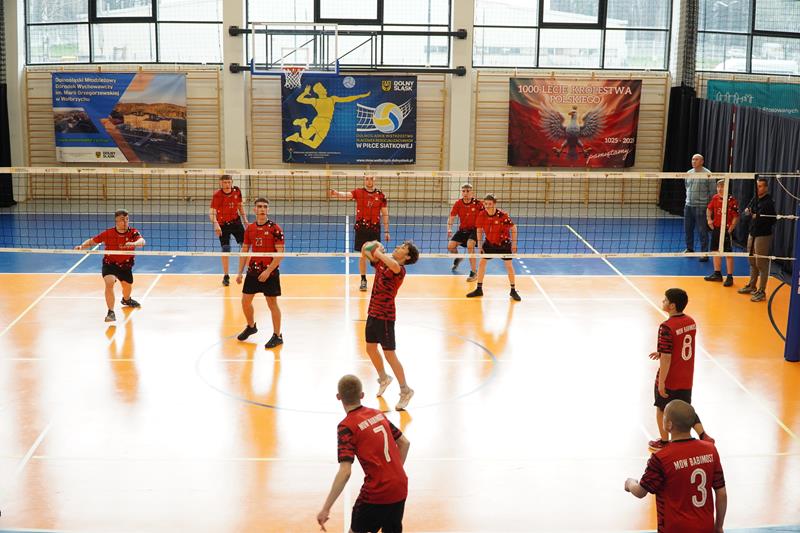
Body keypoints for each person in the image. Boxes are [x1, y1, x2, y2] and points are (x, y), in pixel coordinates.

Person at [317, 374, 410, 533]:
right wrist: (393, 473)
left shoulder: (346, 427)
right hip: (400, 485)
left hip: (377, 491)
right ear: (362, 395)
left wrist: (326, 508)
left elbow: (345, 472)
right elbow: (404, 443)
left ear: (339, 397)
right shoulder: (378, 414)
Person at [625, 400, 727, 533]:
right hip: (705, 528)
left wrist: (630, 483)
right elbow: (721, 493)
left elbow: (640, 492)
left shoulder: (661, 458)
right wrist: (718, 526)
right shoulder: (710, 450)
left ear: (669, 424)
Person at [648, 288, 713, 451]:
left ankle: (664, 442)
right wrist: (661, 351)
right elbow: (682, 344)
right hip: (686, 375)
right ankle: (703, 434)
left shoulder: (666, 327)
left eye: (665, 300)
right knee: (685, 409)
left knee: (661, 409)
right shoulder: (691, 322)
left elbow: (667, 358)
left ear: (672, 306)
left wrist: (661, 382)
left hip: (671, 377)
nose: (662, 301)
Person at [362, 239, 419, 411]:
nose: (398, 247)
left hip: (385, 316)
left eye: (402, 248)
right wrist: (372, 243)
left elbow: (392, 264)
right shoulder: (382, 263)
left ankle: (405, 390)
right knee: (370, 349)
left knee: (390, 355)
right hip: (373, 312)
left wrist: (377, 251)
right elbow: (365, 250)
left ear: (407, 257)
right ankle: (384, 378)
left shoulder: (399, 270)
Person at [75, 209, 145, 323]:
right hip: (110, 263)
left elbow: (142, 241)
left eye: (127, 219)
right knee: (109, 283)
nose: (125, 222)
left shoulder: (133, 232)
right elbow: (93, 241)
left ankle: (126, 300)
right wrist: (82, 246)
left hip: (126, 265)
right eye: (122, 219)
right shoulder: (108, 233)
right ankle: (111, 312)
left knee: (127, 287)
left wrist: (133, 243)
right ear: (116, 221)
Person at [235, 198, 285, 349]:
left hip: (270, 272)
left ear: (268, 210)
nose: (262, 209)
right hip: (253, 271)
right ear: (254, 210)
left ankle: (277, 336)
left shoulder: (275, 228)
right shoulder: (250, 228)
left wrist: (268, 271)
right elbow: (244, 250)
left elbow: (280, 254)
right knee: (245, 301)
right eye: (259, 206)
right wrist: (239, 272)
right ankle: (251, 326)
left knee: (272, 303)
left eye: (265, 207)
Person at [329, 176, 390, 291]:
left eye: (371, 179)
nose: (369, 181)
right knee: (363, 256)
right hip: (361, 229)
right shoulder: (359, 192)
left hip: (374, 230)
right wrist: (336, 193)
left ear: (375, 180)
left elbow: (385, 214)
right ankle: (363, 280)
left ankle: (379, 280)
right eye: (367, 179)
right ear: (364, 180)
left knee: (377, 257)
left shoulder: (381, 195)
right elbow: (347, 195)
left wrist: (387, 231)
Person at [466, 194, 521, 301]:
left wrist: (514, 244)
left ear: (494, 204)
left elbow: (513, 228)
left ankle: (513, 290)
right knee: (482, 263)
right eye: (486, 204)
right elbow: (479, 229)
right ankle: (479, 289)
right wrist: (480, 245)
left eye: (490, 204)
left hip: (503, 244)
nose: (487, 206)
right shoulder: (482, 214)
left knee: (509, 265)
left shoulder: (502, 215)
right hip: (489, 243)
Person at [285, 82, 371, 149]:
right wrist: (305, 93)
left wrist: (360, 96)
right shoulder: (315, 101)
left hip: (327, 124)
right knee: (306, 136)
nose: (325, 89)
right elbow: (299, 99)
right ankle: (303, 123)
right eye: (323, 87)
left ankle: (297, 137)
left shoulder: (332, 99)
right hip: (319, 121)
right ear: (319, 91)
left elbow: (347, 99)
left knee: (314, 145)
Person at [738, 177, 777, 302]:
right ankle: (752, 285)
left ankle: (762, 291)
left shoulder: (768, 202)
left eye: (760, 186)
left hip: (763, 235)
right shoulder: (755, 199)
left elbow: (773, 220)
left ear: (766, 188)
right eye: (757, 186)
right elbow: (745, 214)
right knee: (752, 261)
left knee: (761, 263)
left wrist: (756, 216)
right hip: (752, 233)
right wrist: (750, 214)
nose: (757, 188)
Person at [209, 174, 247, 286]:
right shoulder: (217, 195)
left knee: (245, 246)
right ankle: (226, 275)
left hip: (236, 222)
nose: (227, 184)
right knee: (225, 249)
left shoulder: (237, 191)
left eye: (229, 182)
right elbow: (211, 212)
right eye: (224, 182)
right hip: (223, 225)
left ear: (232, 182)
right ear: (220, 183)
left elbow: (240, 206)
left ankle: (246, 272)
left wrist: (245, 220)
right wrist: (216, 224)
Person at [704, 179, 739, 287]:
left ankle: (729, 276)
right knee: (715, 251)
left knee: (728, 253)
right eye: (718, 187)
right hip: (717, 228)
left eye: (722, 187)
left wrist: (732, 227)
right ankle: (717, 274)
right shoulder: (715, 198)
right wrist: (709, 219)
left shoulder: (732, 200)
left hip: (727, 229)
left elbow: (736, 216)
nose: (719, 189)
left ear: (727, 188)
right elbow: (709, 209)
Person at [447, 183, 484, 282]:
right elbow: (451, 217)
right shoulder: (458, 203)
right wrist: (449, 228)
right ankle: (458, 257)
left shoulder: (478, 204)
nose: (465, 193)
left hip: (474, 230)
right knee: (450, 247)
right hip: (463, 230)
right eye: (463, 191)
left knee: (470, 245)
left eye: (468, 191)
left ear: (472, 192)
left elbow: (486, 215)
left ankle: (474, 272)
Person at [684, 154, 715, 262]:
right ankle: (689, 249)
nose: (694, 161)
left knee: (702, 231)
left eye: (696, 159)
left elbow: (712, 192)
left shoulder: (708, 174)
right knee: (688, 229)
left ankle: (704, 253)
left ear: (702, 161)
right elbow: (687, 187)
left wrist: (709, 208)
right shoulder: (688, 173)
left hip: (701, 207)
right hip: (688, 206)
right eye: (693, 159)